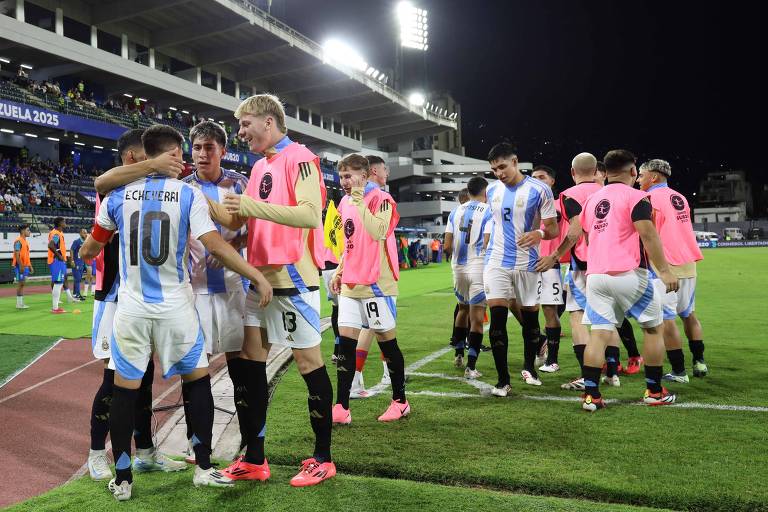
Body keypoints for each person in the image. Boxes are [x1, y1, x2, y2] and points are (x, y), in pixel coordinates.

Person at [81, 124, 272, 500]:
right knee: (197, 380)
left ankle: (122, 479)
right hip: (177, 308)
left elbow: (89, 250)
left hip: (132, 309)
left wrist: (100, 248)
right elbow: (215, 245)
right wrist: (255, 276)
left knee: (124, 389)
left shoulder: (118, 197)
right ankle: (202, 468)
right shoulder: (187, 195)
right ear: (173, 155)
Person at [208, 94, 336, 487]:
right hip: (257, 278)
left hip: (293, 279)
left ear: (268, 121)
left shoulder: (300, 157)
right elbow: (255, 219)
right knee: (249, 364)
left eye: (246, 124)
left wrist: (249, 205)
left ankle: (323, 458)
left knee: (308, 364)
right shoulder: (261, 163)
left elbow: (310, 216)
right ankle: (255, 458)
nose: (240, 132)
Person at [86, 128, 187, 482]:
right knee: (114, 380)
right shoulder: (115, 190)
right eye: (148, 158)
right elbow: (101, 185)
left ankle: (145, 451)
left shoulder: (150, 187)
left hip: (142, 297)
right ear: (133, 158)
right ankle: (98, 453)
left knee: (142, 379)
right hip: (115, 297)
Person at [578, 150, 679, 411]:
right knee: (653, 329)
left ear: (606, 171)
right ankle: (654, 392)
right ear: (633, 171)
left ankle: (591, 396)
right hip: (629, 273)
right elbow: (648, 234)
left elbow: (587, 238)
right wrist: (665, 271)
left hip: (596, 276)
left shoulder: (591, 200)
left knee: (599, 334)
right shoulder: (637, 196)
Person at [182, 120, 251, 456]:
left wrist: (233, 252)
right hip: (193, 290)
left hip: (233, 286)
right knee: (195, 365)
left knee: (240, 362)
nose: (202, 154)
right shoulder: (181, 186)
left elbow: (258, 230)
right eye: (197, 147)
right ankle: (198, 441)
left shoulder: (239, 184)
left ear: (223, 151)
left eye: (209, 147)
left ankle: (249, 432)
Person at [330, 153, 407, 425]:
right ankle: (341, 406)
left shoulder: (382, 200)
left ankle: (400, 401)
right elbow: (349, 241)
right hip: (351, 282)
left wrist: (362, 202)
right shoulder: (343, 202)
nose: (344, 182)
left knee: (389, 345)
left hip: (377, 283)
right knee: (344, 344)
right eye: (341, 177)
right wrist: (340, 269)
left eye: (348, 176)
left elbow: (379, 232)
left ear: (365, 176)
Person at [483, 143, 559, 396]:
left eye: (502, 167)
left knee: (530, 318)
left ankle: (529, 367)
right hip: (496, 262)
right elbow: (492, 224)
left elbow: (553, 229)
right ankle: (503, 380)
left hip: (528, 262)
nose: (499, 173)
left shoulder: (540, 190)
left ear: (515, 161)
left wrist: (538, 233)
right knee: (497, 320)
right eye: (494, 169)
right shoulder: (491, 190)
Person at [637, 159, 707, 379]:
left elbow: (647, 233)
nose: (639, 179)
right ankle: (699, 362)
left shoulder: (648, 198)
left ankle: (679, 371)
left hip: (664, 266)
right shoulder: (680, 197)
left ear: (654, 177)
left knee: (666, 320)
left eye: (641, 174)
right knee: (689, 315)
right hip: (688, 262)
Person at [345, 155, 393, 399]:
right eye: (385, 169)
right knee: (384, 331)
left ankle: (353, 382)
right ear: (372, 171)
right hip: (376, 276)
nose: (387, 173)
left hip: (357, 273)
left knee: (367, 328)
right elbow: (378, 232)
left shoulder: (352, 200)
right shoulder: (379, 198)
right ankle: (393, 383)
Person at [444, 177, 492, 378]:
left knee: (462, 309)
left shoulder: (455, 211)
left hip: (458, 268)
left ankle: (458, 354)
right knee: (477, 317)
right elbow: (488, 242)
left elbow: (447, 245)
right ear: (485, 191)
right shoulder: (489, 210)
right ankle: (471, 367)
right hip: (478, 267)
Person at [531, 165, 568, 372]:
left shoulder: (558, 204)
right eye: (534, 177)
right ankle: (539, 343)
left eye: (542, 177)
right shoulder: (526, 204)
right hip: (525, 262)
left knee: (549, 311)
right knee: (521, 309)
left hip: (548, 264)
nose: (537, 180)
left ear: (552, 181)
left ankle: (552, 360)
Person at [47, 217, 69, 313]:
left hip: (58, 261)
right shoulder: (56, 233)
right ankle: (55, 308)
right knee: (58, 283)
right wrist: (59, 256)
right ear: (60, 223)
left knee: (59, 283)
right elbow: (51, 245)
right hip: (57, 261)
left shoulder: (58, 233)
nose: (65, 223)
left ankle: (55, 307)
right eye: (64, 221)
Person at [12, 224, 33, 309]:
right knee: (21, 284)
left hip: (25, 266)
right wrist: (21, 266)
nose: (29, 232)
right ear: (22, 231)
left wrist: (30, 265)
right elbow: (17, 255)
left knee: (22, 284)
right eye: (28, 230)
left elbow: (27, 255)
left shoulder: (26, 241)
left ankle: (20, 303)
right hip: (20, 266)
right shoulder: (18, 241)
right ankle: (19, 304)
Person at [69, 229, 88, 300]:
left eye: (86, 233)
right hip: (76, 262)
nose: (85, 234)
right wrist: (72, 261)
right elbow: (71, 250)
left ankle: (74, 293)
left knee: (78, 279)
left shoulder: (86, 242)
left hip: (82, 263)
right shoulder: (77, 241)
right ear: (80, 233)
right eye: (83, 233)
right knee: (77, 279)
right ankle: (77, 294)